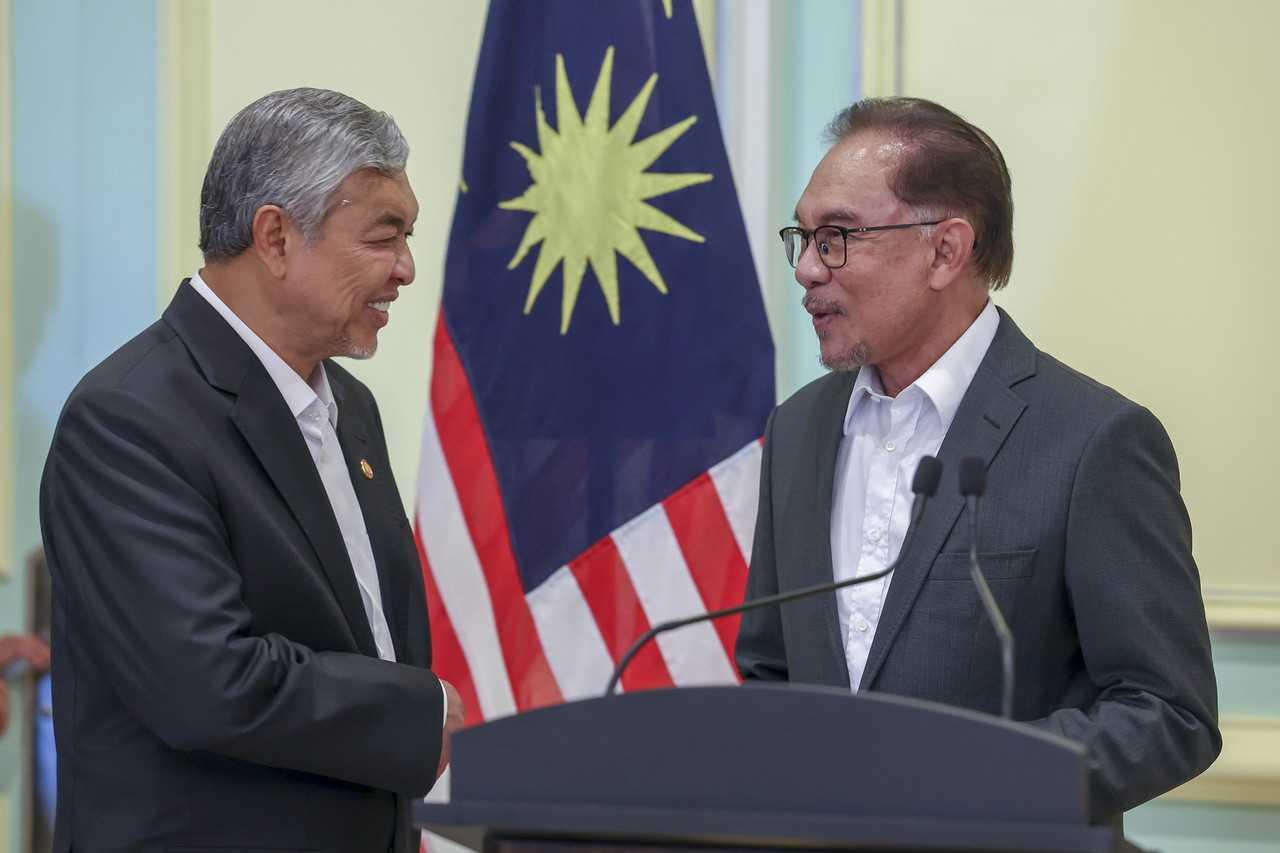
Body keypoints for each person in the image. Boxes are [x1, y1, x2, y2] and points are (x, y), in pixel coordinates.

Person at [735, 97, 1219, 821]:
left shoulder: (1095, 441)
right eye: (801, 237)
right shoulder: (800, 428)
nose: (806, 268)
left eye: (835, 236)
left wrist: (971, 783)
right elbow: (771, 670)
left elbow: (1167, 712)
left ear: (946, 250)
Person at [40, 87, 465, 852]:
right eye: (383, 236)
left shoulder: (353, 410)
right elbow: (207, 682)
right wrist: (417, 713)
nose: (405, 268)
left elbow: (374, 635)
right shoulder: (128, 417)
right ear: (274, 236)